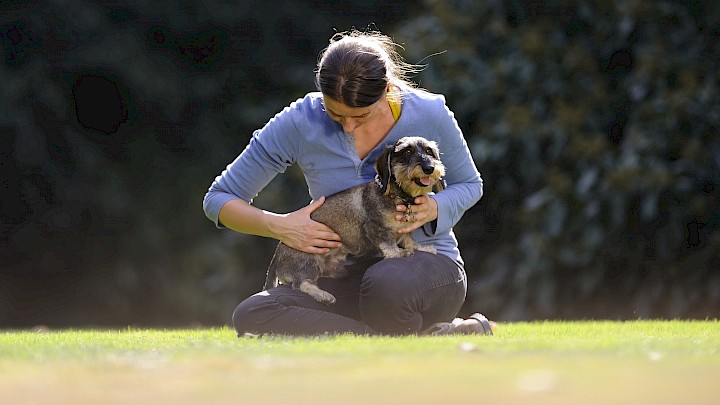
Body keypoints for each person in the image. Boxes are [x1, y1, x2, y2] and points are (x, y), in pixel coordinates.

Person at [203, 30, 493, 336]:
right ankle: (413, 336)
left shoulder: (430, 113)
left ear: (387, 90)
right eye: (335, 114)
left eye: (361, 116)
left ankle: (386, 332)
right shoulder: (300, 122)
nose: (349, 127)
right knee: (253, 313)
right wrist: (282, 225)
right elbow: (219, 199)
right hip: (343, 276)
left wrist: (434, 207)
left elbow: (470, 184)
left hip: (424, 271)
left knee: (385, 283)